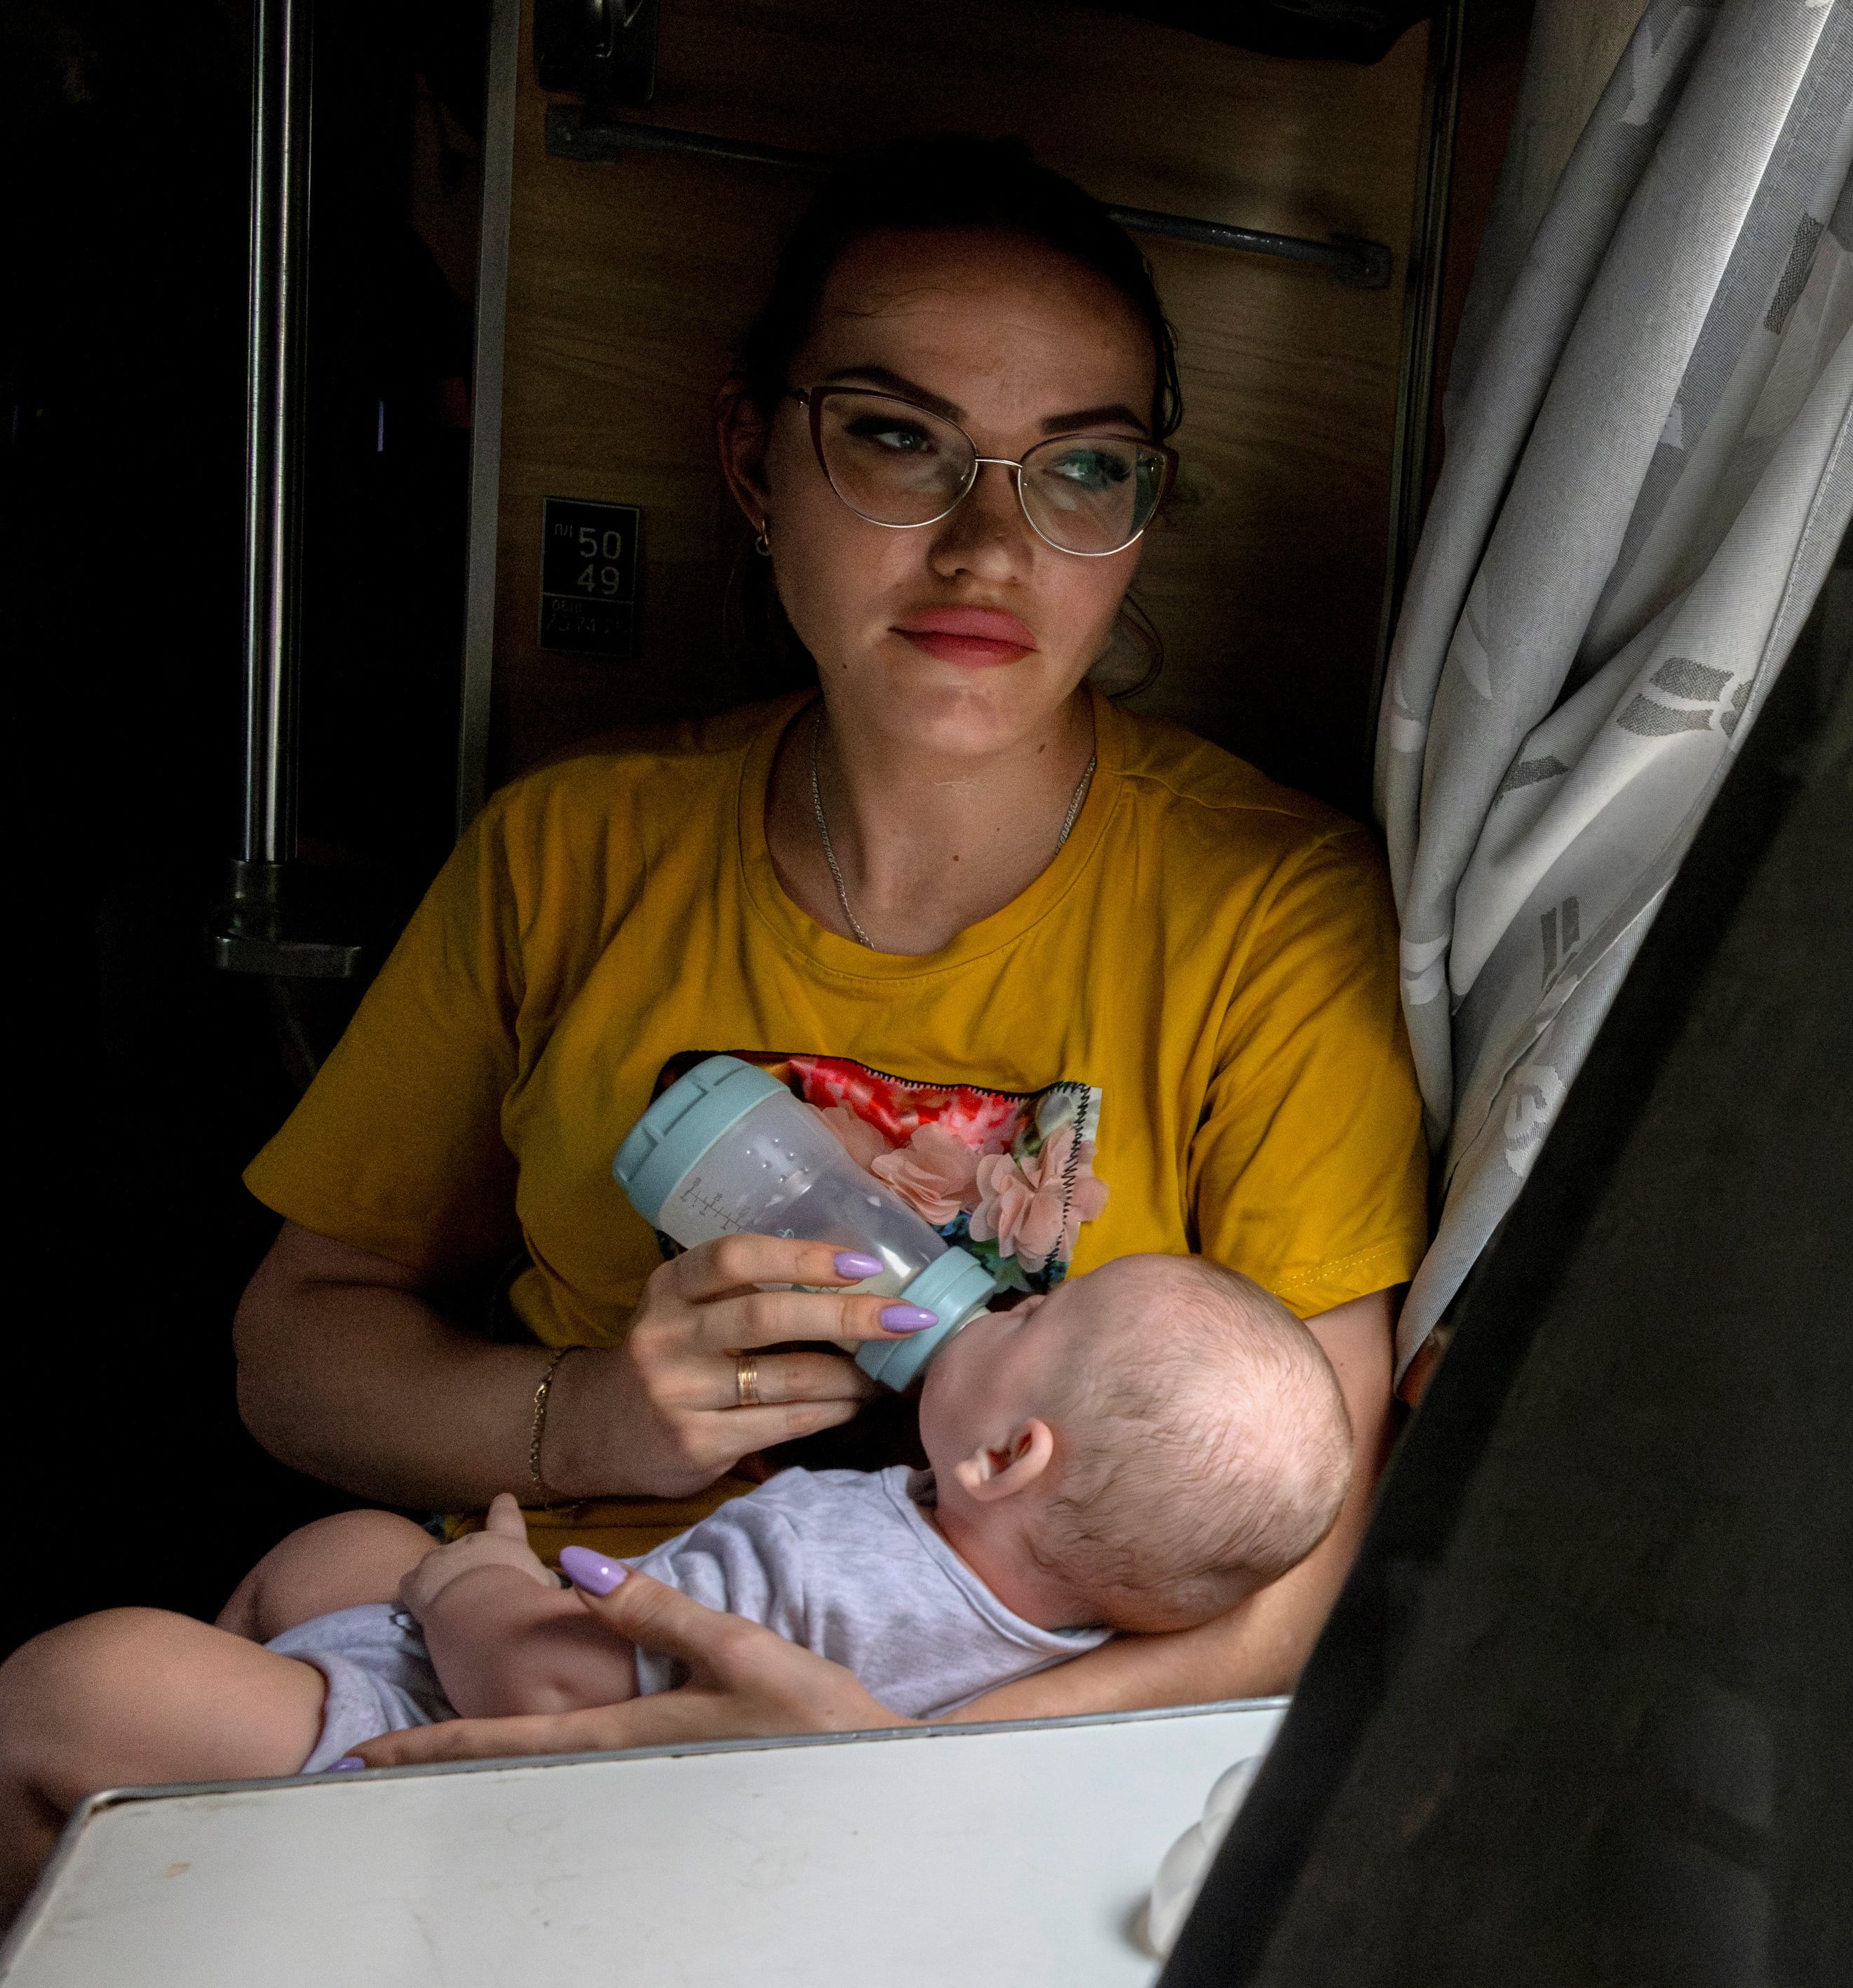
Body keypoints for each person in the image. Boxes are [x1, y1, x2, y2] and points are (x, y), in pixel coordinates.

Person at [217, 137, 1424, 1738]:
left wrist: (876, 1771)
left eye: (1078, 466)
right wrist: (586, 1420)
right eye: (896, 438)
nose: (989, 547)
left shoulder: (1271, 914)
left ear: (1143, 510)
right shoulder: (572, 851)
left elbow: (1304, 1562)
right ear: (750, 457)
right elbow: (293, 1349)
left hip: (967, 1732)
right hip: (526, 1654)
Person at [0, 1256, 1351, 1896]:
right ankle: (216, 1821)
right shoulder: (1041, 1627)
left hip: (461, 1750)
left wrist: (467, 1577)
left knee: (93, 1676)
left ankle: (165, 1856)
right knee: (347, 1550)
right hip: (533, 1717)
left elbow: (544, 1685)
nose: (999, 1301)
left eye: (1033, 1316)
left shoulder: (841, 1559)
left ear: (1008, 1452)